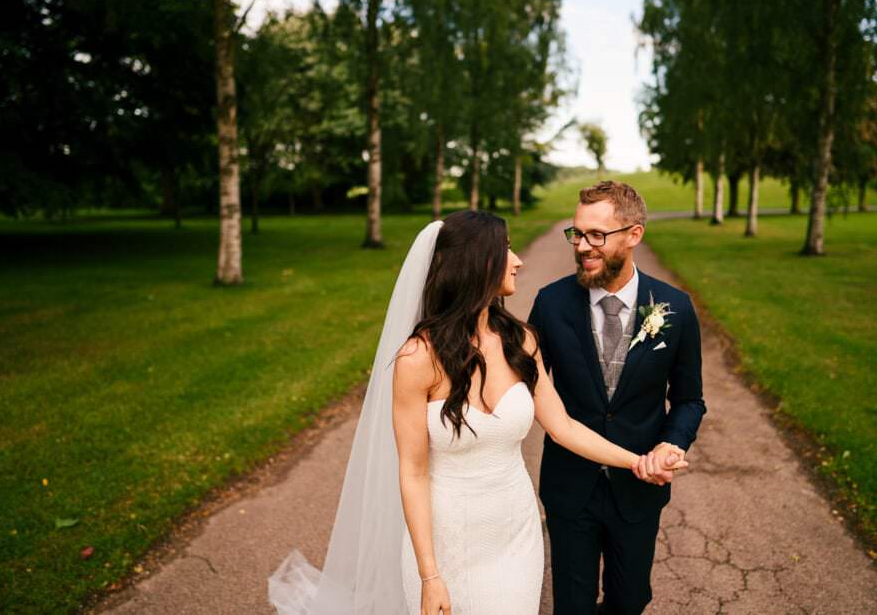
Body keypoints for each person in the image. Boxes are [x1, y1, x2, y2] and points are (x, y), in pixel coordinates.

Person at [267, 210, 683, 615]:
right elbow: (411, 472)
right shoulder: (418, 358)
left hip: (515, 534)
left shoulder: (521, 340)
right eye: (506, 248)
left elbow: (563, 427)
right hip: (445, 540)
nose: (518, 260)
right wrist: (430, 576)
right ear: (478, 264)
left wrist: (639, 462)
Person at [528, 180, 707, 615]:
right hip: (571, 488)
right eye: (577, 233)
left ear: (633, 234)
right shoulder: (550, 304)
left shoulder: (675, 308)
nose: (583, 246)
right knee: (571, 604)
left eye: (597, 235)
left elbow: (689, 400)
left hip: (639, 488)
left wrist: (672, 443)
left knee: (630, 601)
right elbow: (525, 387)